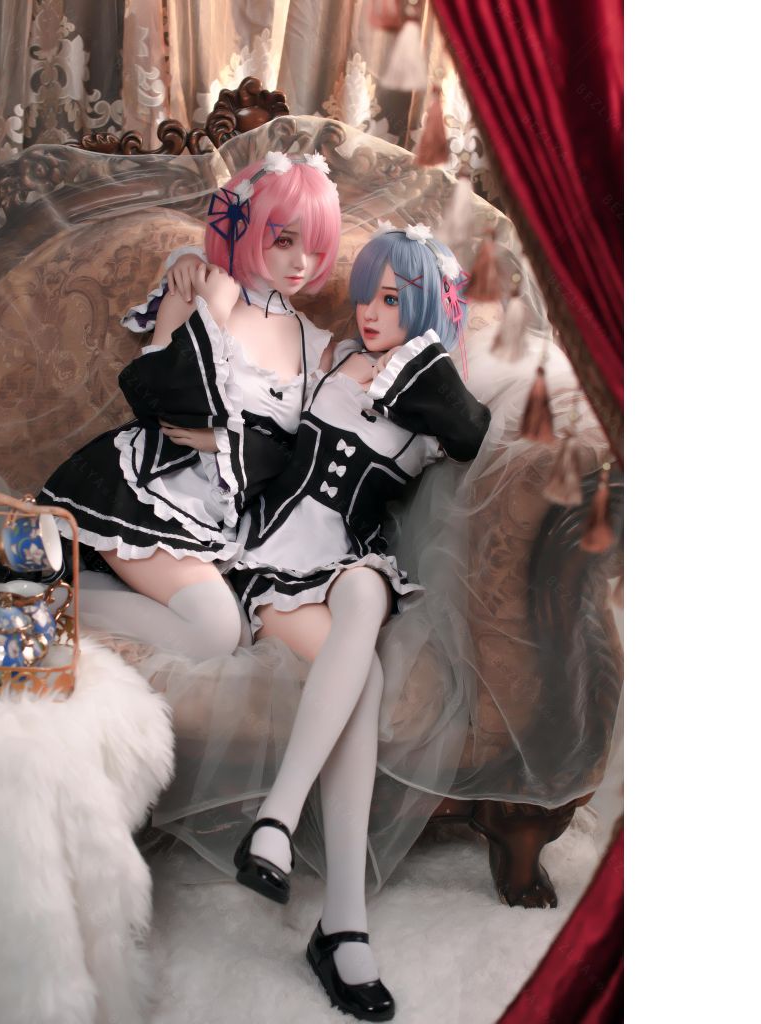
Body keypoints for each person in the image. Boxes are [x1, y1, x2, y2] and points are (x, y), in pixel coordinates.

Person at [228, 224, 491, 1021]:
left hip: (349, 562)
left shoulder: (431, 394)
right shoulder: (334, 355)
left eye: (392, 298)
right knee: (365, 677)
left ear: (426, 306)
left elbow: (473, 431)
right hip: (274, 556)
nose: (371, 312)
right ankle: (342, 924)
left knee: (370, 592)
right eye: (367, 294)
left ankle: (276, 822)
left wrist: (426, 349)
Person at [37, 152, 339, 659]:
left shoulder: (317, 345)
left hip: (221, 516)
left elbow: (299, 458)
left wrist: (225, 442)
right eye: (285, 240)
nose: (301, 263)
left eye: (315, 246)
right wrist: (214, 310)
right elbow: (154, 396)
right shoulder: (196, 287)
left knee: (233, 636)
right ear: (245, 227)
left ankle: (57, 593)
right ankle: (41, 597)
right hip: (144, 486)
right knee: (217, 634)